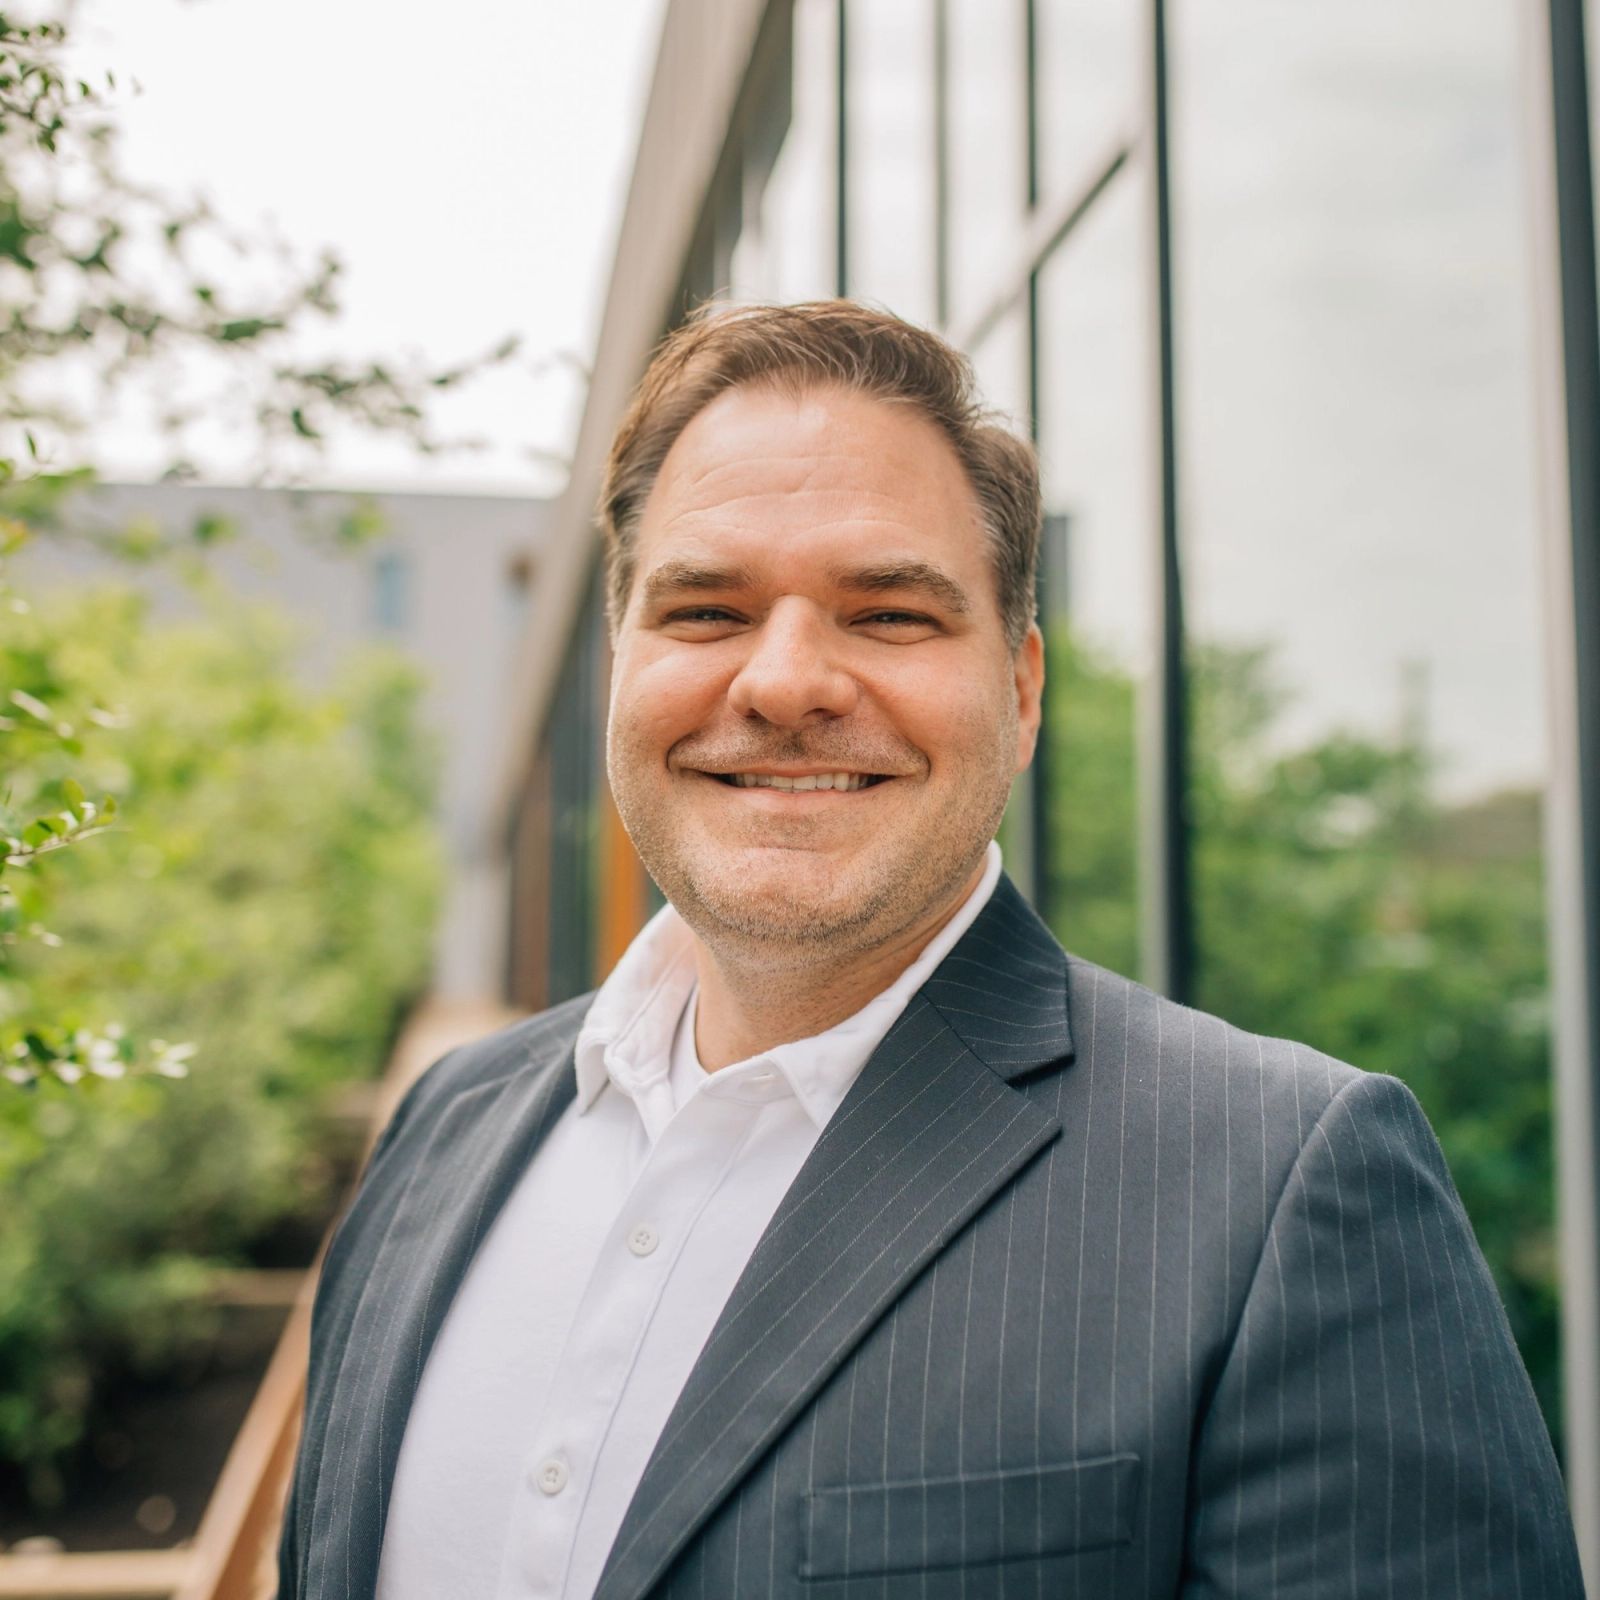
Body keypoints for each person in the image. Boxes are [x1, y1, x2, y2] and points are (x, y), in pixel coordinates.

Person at [277, 301, 1585, 1599]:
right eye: (708, 611)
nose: (784, 683)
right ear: (621, 658)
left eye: (890, 615)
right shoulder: (447, 1127)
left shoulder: (1285, 1189)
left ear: (1019, 695)